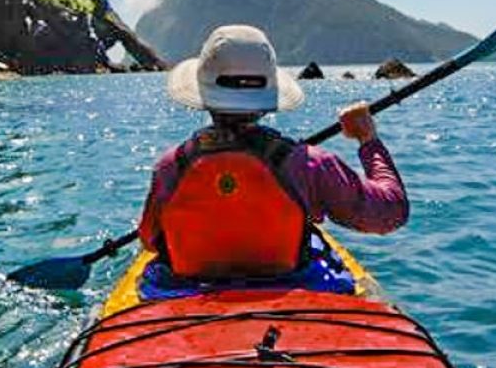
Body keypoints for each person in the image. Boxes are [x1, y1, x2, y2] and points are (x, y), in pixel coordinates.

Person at [137, 25, 408, 281]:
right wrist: (367, 139)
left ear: (204, 95)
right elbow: (390, 212)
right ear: (266, 100)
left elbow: (149, 240)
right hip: (288, 286)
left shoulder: (171, 165)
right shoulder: (309, 164)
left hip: (189, 291)